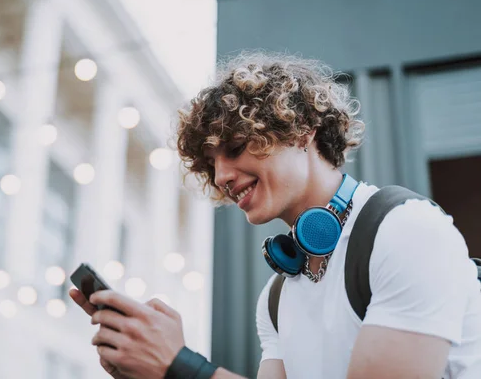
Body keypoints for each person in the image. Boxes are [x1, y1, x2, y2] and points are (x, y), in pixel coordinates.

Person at [69, 52, 481, 379]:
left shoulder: (406, 230)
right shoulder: (276, 297)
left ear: (301, 130)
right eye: (210, 164)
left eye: (233, 147)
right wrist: (154, 370)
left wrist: (179, 366)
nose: (222, 176)